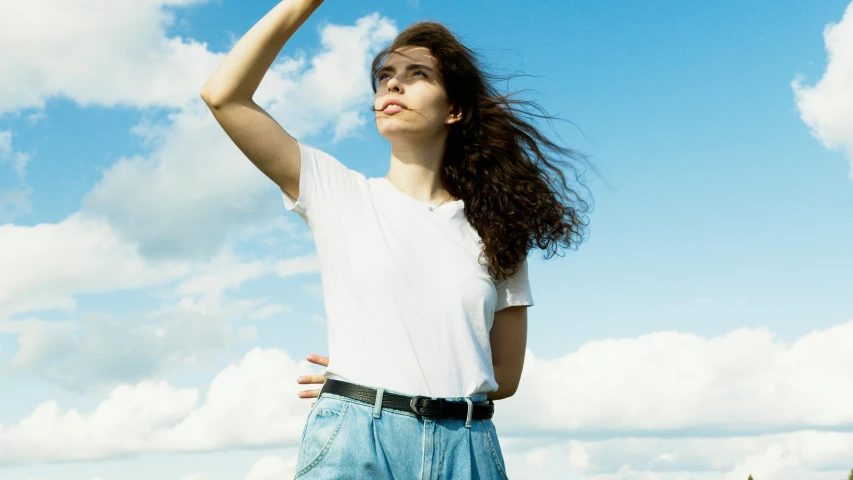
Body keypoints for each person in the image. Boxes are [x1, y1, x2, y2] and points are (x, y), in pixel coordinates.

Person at [201, 1, 592, 478]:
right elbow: (224, 96)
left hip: (466, 448)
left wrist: (406, 371)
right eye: (385, 74)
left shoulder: (498, 229)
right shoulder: (336, 192)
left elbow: (504, 377)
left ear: (455, 109)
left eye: (417, 74)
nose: (393, 83)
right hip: (356, 439)